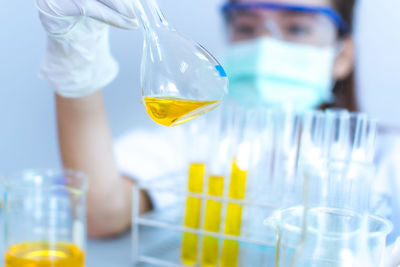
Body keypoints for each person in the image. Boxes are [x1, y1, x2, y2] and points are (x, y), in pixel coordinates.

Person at [35, 0, 400, 265]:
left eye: (297, 27)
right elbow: (102, 214)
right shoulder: (198, 140)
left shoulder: (388, 157)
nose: (265, 43)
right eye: (246, 26)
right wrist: (75, 63)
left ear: (342, 55)